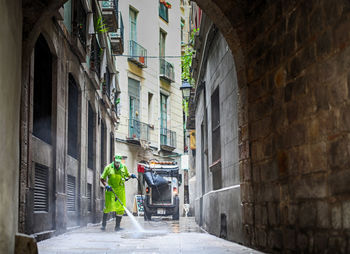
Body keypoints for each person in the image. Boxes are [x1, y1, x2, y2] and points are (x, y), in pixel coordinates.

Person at [100, 154, 136, 231]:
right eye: (116, 162)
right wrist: (106, 185)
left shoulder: (123, 167)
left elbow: (127, 174)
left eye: (118, 162)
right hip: (111, 190)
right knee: (108, 207)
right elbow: (102, 178)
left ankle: (117, 227)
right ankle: (103, 225)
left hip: (120, 191)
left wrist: (131, 175)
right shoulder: (108, 168)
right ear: (113, 160)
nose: (117, 164)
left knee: (120, 209)